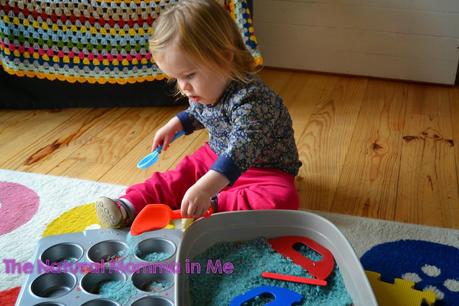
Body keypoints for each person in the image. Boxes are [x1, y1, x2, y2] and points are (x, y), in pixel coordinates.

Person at [95, 0, 302, 228]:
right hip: (214, 156)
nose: (183, 87)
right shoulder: (208, 88)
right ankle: (128, 205)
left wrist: (204, 189)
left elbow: (241, 150)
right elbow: (199, 112)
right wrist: (176, 124)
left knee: (283, 200)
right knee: (178, 177)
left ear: (224, 57)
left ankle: (212, 206)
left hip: (264, 172)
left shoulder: (254, 100)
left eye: (189, 75)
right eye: (176, 78)